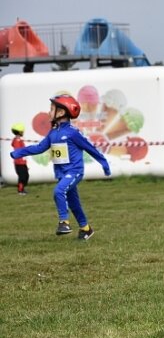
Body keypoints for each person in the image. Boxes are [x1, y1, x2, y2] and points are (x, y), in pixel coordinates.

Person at [9, 94, 111, 239]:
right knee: (74, 204)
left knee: (58, 191)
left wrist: (104, 164)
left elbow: (90, 148)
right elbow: (39, 148)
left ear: (61, 112)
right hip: (62, 174)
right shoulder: (53, 133)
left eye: (52, 109)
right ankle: (86, 229)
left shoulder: (73, 133)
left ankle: (64, 222)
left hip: (74, 171)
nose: (49, 112)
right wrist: (18, 152)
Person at [10, 123, 30, 195]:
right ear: (20, 132)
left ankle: (22, 189)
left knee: (26, 176)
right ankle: (20, 190)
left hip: (22, 162)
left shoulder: (19, 140)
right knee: (22, 176)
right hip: (19, 162)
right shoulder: (17, 141)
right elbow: (19, 151)